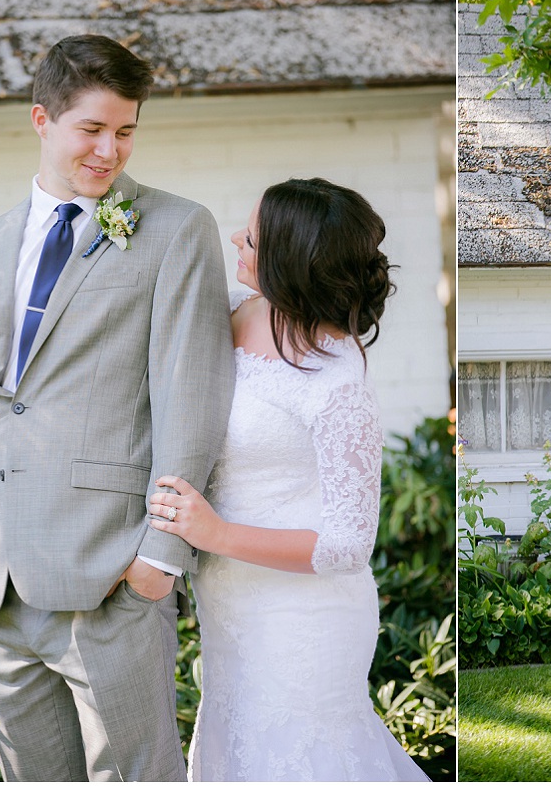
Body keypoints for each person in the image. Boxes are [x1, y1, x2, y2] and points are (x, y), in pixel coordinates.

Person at [0, 34, 235, 781]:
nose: (110, 151)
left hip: (108, 576)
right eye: (92, 128)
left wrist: (159, 559)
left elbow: (193, 397)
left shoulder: (177, 230)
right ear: (41, 119)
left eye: (125, 131)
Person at [144, 178, 427, 780]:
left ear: (292, 261)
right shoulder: (232, 310)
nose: (236, 240)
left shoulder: (339, 383)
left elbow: (348, 545)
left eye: (252, 236)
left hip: (307, 620)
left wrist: (215, 533)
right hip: (230, 610)